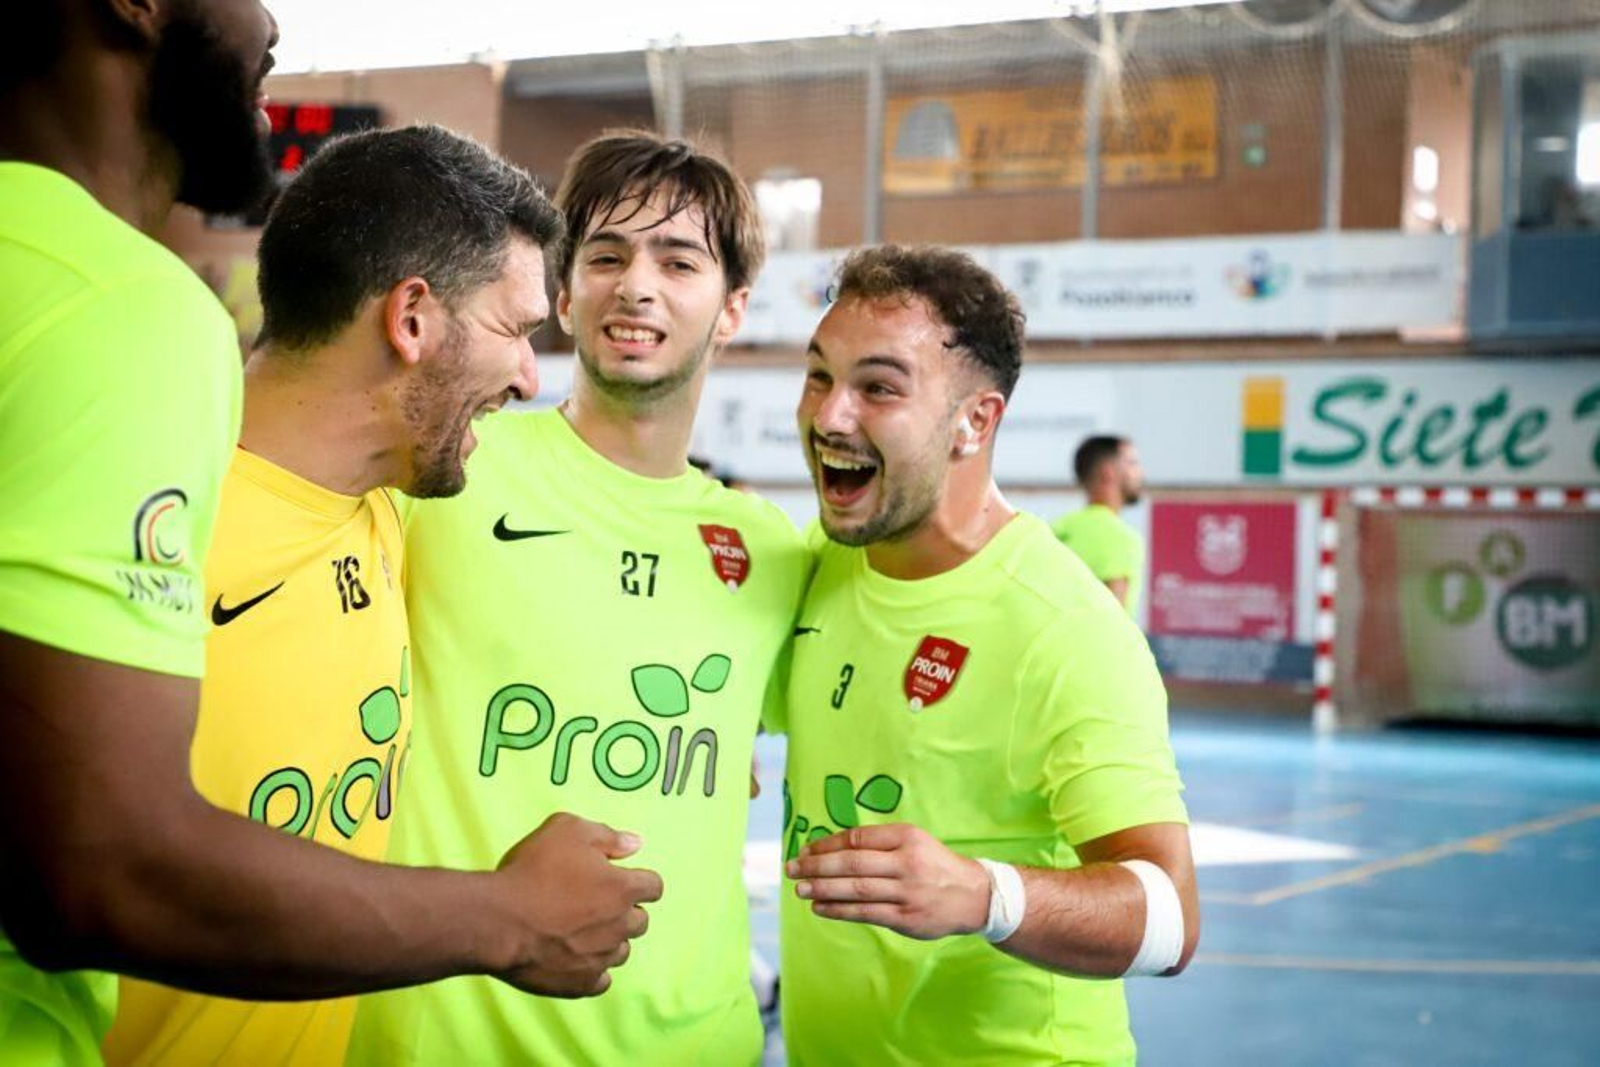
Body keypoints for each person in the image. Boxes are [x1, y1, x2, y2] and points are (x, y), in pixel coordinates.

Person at [0, 6, 654, 1059]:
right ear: (411, 320)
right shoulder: (159, 468)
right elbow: (100, 864)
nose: (533, 377)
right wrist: (508, 912)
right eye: (517, 330)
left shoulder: (390, 502)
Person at [347, 130, 810, 1065]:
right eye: (606, 256)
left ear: (733, 310)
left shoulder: (771, 552)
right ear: (562, 295)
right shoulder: (444, 475)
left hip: (698, 1044)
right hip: (441, 1039)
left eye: (679, 261)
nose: (636, 284)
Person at [778, 246, 1198, 1065]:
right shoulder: (820, 569)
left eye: (879, 386)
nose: (830, 416)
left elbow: (1174, 916)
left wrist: (984, 893)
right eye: (819, 376)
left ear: (976, 420)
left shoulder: (1064, 626)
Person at [1052, 434, 1147, 613]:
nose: (1141, 473)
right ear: (1108, 472)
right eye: (1132, 463)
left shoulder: (1056, 529)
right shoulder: (1120, 538)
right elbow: (1112, 623)